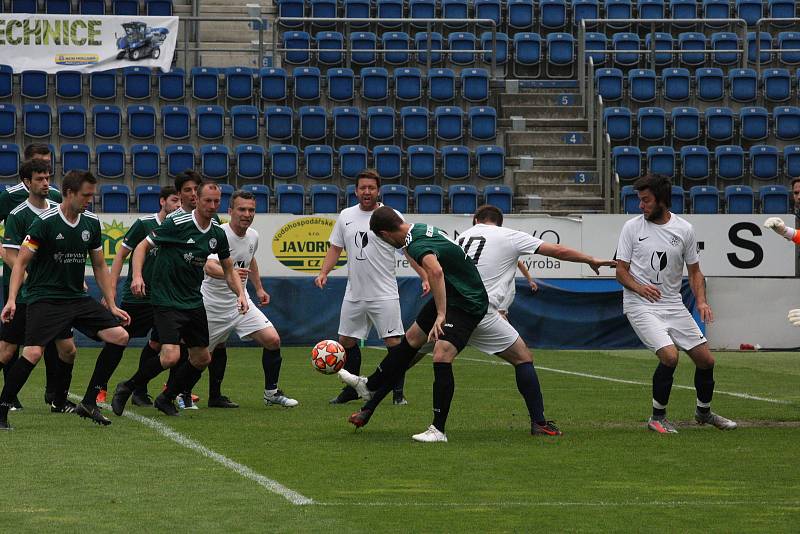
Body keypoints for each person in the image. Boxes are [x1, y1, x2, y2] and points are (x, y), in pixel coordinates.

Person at [346, 205, 616, 440]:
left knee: (409, 352)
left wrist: (441, 310)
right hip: (475, 309)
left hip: (458, 304)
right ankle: (539, 423)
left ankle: (370, 405)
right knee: (521, 358)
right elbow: (555, 249)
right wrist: (590, 258)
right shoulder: (507, 235)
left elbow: (439, 268)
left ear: (476, 220)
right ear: (499, 221)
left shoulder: (463, 235)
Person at [336, 206, 488, 442]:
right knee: (411, 339)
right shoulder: (416, 230)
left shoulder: (414, 244)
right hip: (455, 293)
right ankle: (369, 386)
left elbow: (436, 272)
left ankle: (438, 430)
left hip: (468, 302)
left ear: (385, 234)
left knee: (441, 354)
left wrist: (440, 314)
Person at [0, 170, 131, 430]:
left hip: (75, 298)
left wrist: (112, 303)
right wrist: (12, 299)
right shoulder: (45, 222)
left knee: (120, 336)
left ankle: (89, 401)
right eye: (85, 195)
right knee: (34, 352)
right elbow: (20, 263)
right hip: (44, 298)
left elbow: (100, 266)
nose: (89, 201)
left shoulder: (91, 223)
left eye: (92, 196)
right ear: (69, 193)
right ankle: (2, 408)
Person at [111, 181, 248, 417]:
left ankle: (166, 398)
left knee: (202, 357)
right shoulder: (177, 222)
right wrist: (136, 276)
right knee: (171, 355)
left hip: (193, 301)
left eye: (216, 201)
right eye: (207, 200)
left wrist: (241, 294)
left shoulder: (217, 233)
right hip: (166, 300)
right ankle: (128, 387)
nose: (212, 205)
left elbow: (228, 269)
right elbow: (142, 247)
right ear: (197, 199)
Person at [615, 174, 737, 434]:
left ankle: (703, 413)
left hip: (673, 304)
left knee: (706, 361)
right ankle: (657, 418)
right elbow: (621, 271)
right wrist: (639, 288)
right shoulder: (632, 228)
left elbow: (695, 272)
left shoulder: (684, 229)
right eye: (640, 200)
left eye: (646, 200)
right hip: (640, 304)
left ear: (662, 200)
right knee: (670, 356)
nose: (641, 206)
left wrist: (701, 302)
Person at [315, 169, 428, 406]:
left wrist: (424, 276)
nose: (367, 192)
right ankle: (351, 390)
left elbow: (408, 249)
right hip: (354, 293)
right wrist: (324, 272)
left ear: (378, 191)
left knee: (394, 344)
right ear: (356, 191)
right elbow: (335, 248)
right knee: (346, 341)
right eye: (363, 188)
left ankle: (397, 392)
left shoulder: (390, 215)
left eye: (371, 188)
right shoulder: (346, 215)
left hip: (384, 294)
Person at [201, 190, 297, 408]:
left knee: (272, 340)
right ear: (230, 211)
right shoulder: (219, 234)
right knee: (199, 357)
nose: (247, 214)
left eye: (251, 210)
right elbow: (209, 266)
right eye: (241, 209)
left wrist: (259, 288)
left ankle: (271, 393)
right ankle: (183, 393)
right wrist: (231, 272)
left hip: (241, 303)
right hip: (213, 305)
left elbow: (250, 260)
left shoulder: (253, 235)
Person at [91, 186, 181, 407]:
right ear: (162, 201)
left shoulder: (181, 226)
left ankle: (147, 391)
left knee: (161, 344)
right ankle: (98, 388)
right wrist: (111, 290)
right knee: (118, 339)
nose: (178, 205)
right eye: (174, 200)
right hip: (138, 297)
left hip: (165, 299)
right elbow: (121, 254)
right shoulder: (144, 224)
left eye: (181, 202)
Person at [0, 159, 68, 413]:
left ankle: (58, 399)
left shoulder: (57, 210)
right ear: (27, 183)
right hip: (29, 294)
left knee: (66, 349)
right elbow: (10, 255)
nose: (46, 183)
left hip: (56, 295)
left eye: (48, 178)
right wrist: (24, 284)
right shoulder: (18, 215)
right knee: (8, 351)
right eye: (39, 179)